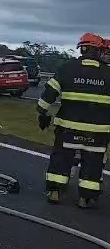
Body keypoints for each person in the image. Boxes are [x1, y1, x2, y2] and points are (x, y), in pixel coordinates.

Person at [38, 33, 110, 208]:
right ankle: (87, 198)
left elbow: (48, 95)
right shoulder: (108, 73)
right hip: (98, 133)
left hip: (67, 129)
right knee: (93, 164)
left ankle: (55, 191)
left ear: (82, 49)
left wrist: (43, 113)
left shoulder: (67, 68)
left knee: (61, 160)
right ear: (98, 51)